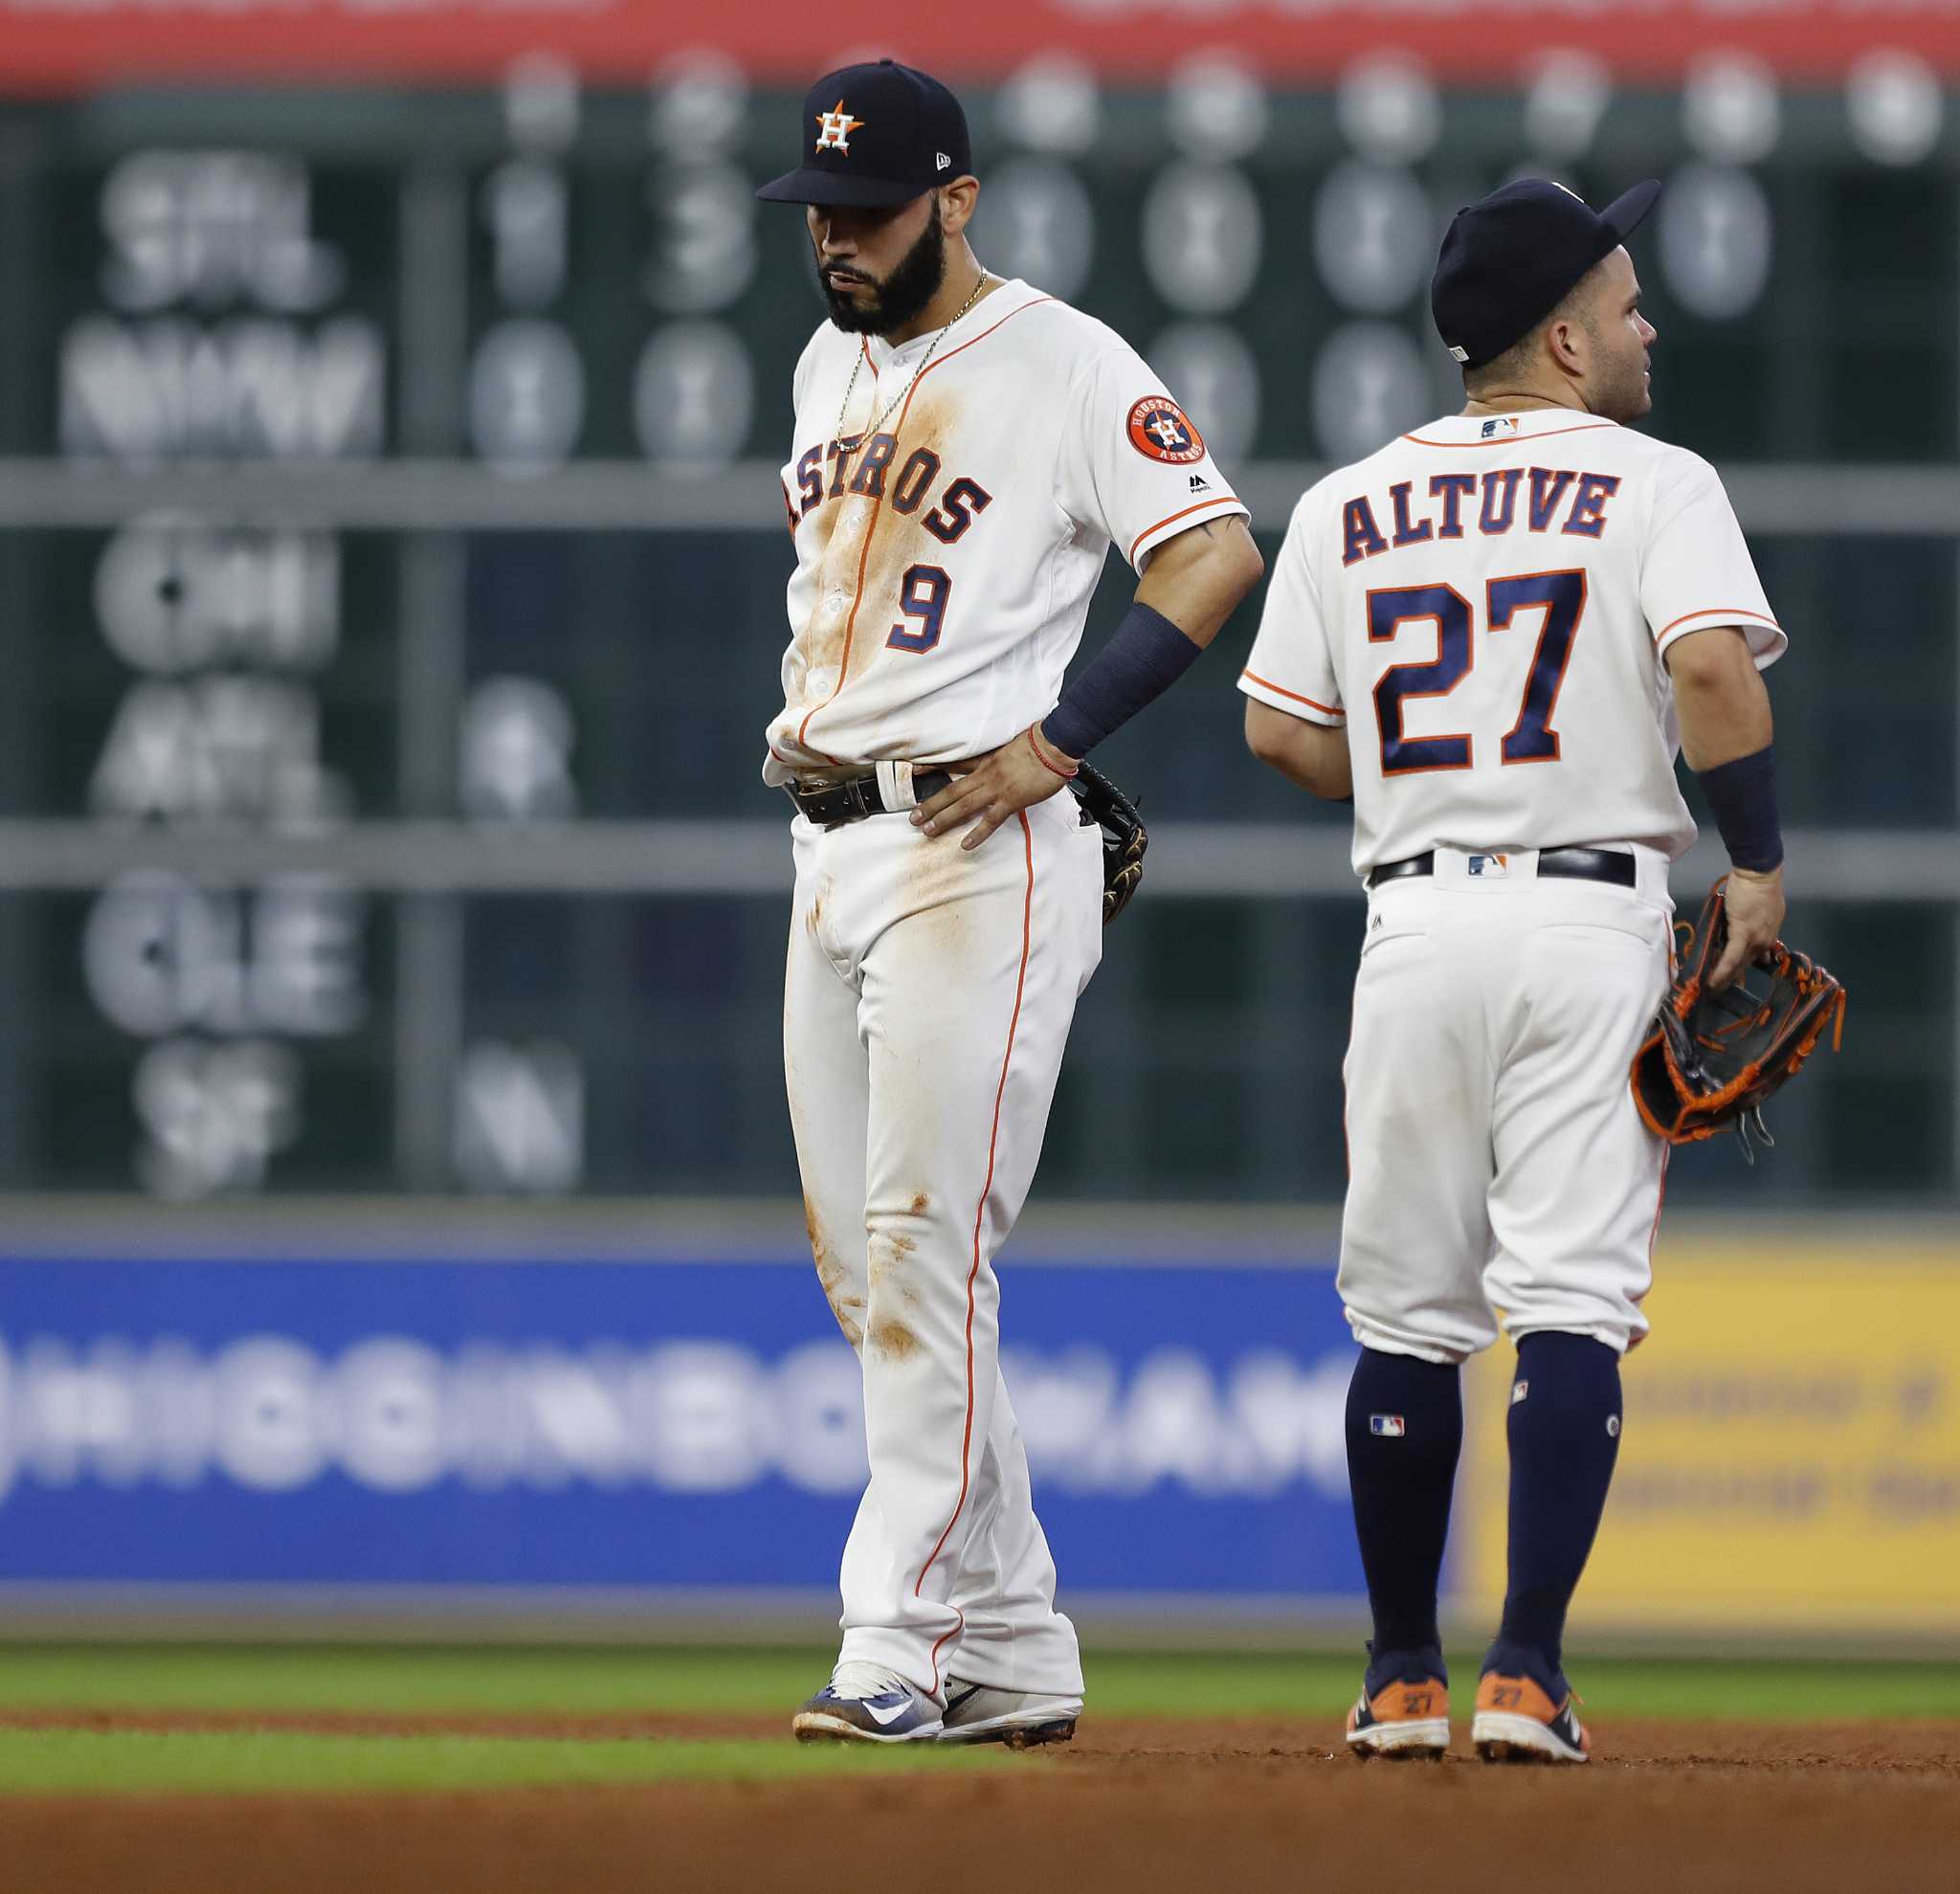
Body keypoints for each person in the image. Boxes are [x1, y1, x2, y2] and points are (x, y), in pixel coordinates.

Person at [1240, 177, 1787, 1764]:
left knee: (1405, 1312)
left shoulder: (1351, 501)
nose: (1646, 323)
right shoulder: (1655, 480)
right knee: (1570, 1301)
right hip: (1585, 917)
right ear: (1561, 339)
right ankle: (1527, 1672)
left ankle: (1400, 1674)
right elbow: (1705, 671)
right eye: (1624, 304)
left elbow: (1279, 726)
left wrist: (1435, 785)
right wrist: (1752, 859)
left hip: (1413, 926)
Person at [756, 59, 1263, 1745]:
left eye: (871, 211)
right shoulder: (829, 357)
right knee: (876, 1273)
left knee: (921, 1255)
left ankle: (892, 1645)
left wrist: (1062, 740)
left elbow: (1210, 553)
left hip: (976, 850)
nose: (838, 240)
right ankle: (1021, 1643)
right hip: (829, 843)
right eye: (823, 212)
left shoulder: (1060, 360)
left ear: (957, 199)